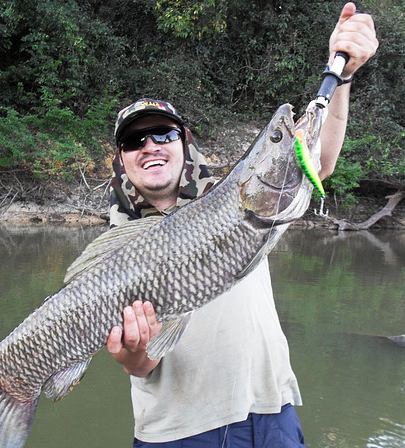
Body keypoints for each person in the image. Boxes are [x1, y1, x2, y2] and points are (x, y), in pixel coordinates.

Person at [105, 3, 378, 446]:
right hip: (179, 432)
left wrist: (342, 77)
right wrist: (131, 353)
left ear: (184, 143)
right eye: (135, 140)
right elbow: (141, 365)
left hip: (272, 414)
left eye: (164, 134)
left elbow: (318, 162)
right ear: (121, 159)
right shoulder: (119, 246)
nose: (150, 145)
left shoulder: (239, 198)